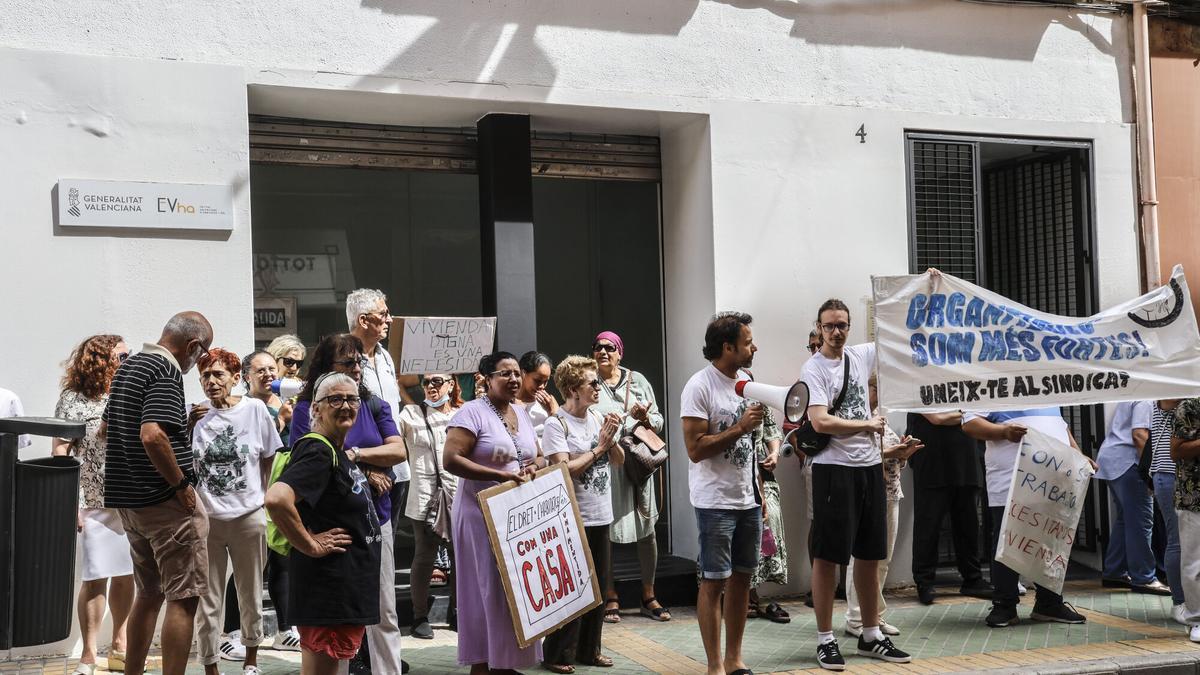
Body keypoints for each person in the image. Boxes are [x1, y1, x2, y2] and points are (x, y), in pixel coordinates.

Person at [100, 311, 213, 675]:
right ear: (192, 346)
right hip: (165, 503)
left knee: (149, 594)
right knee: (184, 598)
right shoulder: (164, 369)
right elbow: (152, 435)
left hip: (131, 503)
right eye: (203, 352)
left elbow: (105, 429)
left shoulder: (129, 366)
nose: (200, 361)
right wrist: (181, 486)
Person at [801, 299, 910, 670]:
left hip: (869, 467)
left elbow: (898, 333)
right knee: (827, 557)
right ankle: (825, 639)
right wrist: (866, 424)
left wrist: (924, 287)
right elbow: (820, 421)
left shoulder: (861, 356)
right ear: (819, 328)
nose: (836, 332)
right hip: (834, 469)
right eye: (829, 326)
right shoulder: (813, 368)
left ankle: (870, 634)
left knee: (869, 553)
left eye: (842, 325)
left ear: (850, 327)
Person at [291, 332, 408, 675]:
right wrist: (366, 470)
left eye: (360, 362)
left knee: (383, 608)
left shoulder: (372, 404)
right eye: (348, 362)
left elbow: (398, 450)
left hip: (375, 521)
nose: (357, 368)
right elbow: (312, 457)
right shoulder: (306, 409)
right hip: (334, 527)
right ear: (327, 368)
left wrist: (356, 456)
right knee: (338, 619)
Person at [265, 372, 383, 675]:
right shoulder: (317, 450)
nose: (345, 406)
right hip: (329, 591)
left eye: (352, 399)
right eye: (335, 399)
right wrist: (310, 544)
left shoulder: (335, 451)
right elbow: (277, 499)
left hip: (343, 592)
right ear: (316, 409)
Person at [443, 351, 548, 674]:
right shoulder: (471, 413)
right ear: (486, 379)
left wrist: (534, 468)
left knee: (512, 589)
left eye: (517, 373)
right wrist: (500, 476)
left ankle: (505, 663)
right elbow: (451, 459)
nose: (514, 379)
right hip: (479, 516)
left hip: (514, 517)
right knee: (486, 590)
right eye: (505, 373)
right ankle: (484, 664)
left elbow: (539, 455)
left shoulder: (522, 412)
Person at [680, 312, 768, 675]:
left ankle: (734, 659)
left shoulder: (747, 381)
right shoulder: (699, 386)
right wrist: (740, 427)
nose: (754, 347)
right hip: (715, 502)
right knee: (714, 581)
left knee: (743, 579)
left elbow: (753, 444)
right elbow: (695, 449)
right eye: (747, 342)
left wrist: (759, 490)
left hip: (748, 499)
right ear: (728, 347)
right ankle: (714, 665)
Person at [187, 348, 281, 675]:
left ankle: (251, 659)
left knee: (250, 592)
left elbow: (268, 456)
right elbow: (181, 460)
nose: (211, 382)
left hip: (248, 517)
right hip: (207, 519)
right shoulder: (194, 414)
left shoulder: (254, 410)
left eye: (218, 374)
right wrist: (187, 426)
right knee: (208, 598)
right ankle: (210, 665)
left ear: (236, 377)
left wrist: (262, 496)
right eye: (205, 376)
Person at [962, 408, 1091, 628]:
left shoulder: (1049, 391)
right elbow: (970, 423)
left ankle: (1049, 603)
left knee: (1049, 540)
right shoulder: (991, 390)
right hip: (1011, 481)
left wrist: (1078, 457)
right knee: (1008, 538)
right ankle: (1005, 604)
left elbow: (1062, 426)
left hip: (1050, 485)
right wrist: (1003, 432)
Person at [52, 335, 134, 675]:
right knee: (96, 575)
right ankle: (88, 653)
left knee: (127, 573)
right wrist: (69, 501)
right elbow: (61, 450)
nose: (128, 360)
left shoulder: (129, 391)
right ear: (100, 360)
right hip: (92, 498)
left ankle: (120, 644)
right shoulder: (73, 399)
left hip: (129, 497)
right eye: (122, 356)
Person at [540, 355, 623, 673]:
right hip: (572, 517)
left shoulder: (596, 417)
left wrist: (611, 440)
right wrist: (598, 448)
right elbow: (563, 469)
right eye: (593, 383)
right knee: (571, 587)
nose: (598, 387)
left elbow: (618, 461)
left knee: (599, 586)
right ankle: (557, 653)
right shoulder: (556, 423)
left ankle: (590, 650)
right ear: (574, 389)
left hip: (601, 515)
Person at [590, 331, 671, 624]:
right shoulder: (589, 381)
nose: (603, 352)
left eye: (609, 347)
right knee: (607, 529)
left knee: (647, 529)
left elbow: (658, 421)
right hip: (607, 466)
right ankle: (611, 594)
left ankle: (648, 595)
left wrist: (644, 417)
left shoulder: (638, 381)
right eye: (598, 347)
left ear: (620, 353)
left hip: (638, 464)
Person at [844, 379, 923, 638]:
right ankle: (856, 618)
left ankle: (873, 614)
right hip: (867, 494)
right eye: (875, 388)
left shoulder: (880, 416)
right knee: (862, 557)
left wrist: (902, 453)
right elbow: (855, 454)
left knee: (883, 559)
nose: (879, 393)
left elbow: (886, 453)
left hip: (890, 492)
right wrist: (891, 452)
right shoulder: (853, 416)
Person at [398, 373, 462, 640]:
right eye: (426, 382)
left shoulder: (462, 414)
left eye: (438, 381)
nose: (431, 387)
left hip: (457, 494)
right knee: (424, 555)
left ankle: (458, 611)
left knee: (460, 556)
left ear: (451, 384)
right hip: (424, 496)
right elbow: (392, 439)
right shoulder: (411, 414)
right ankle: (419, 616)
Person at [905, 408, 990, 605]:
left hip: (966, 455)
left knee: (968, 522)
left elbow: (981, 413)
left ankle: (973, 579)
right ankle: (924, 582)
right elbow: (937, 418)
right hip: (931, 456)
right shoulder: (919, 387)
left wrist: (962, 416)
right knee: (928, 523)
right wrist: (967, 415)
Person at [1095, 401, 1170, 595]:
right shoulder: (1146, 398)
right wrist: (1151, 472)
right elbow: (1139, 434)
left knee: (1125, 519)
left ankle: (1115, 571)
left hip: (1114, 461)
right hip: (1129, 462)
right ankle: (1144, 578)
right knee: (1141, 521)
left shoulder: (1134, 394)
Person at [748, 406, 788, 624]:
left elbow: (772, 433)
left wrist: (774, 453)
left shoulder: (760, 403)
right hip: (736, 475)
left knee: (767, 525)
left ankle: (753, 592)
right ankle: (744, 594)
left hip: (763, 474)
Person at [1149, 399, 1186, 623]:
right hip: (1168, 473)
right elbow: (1168, 403)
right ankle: (1179, 602)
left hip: (1190, 475)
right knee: (1177, 540)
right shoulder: (1169, 390)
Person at [1169, 397, 1200, 642]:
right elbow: (1176, 450)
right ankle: (1197, 619)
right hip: (1194, 496)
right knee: (1194, 563)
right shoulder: (1189, 406)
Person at [265, 335, 306, 445]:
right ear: (274, 359)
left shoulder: (301, 389)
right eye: (289, 362)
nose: (294, 368)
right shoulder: (261, 393)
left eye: (299, 363)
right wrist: (281, 419)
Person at [515, 350, 557, 439]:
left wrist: (552, 413)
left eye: (546, 381)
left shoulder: (550, 402)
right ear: (523, 373)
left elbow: (560, 435)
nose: (542, 386)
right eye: (537, 381)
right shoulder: (510, 403)